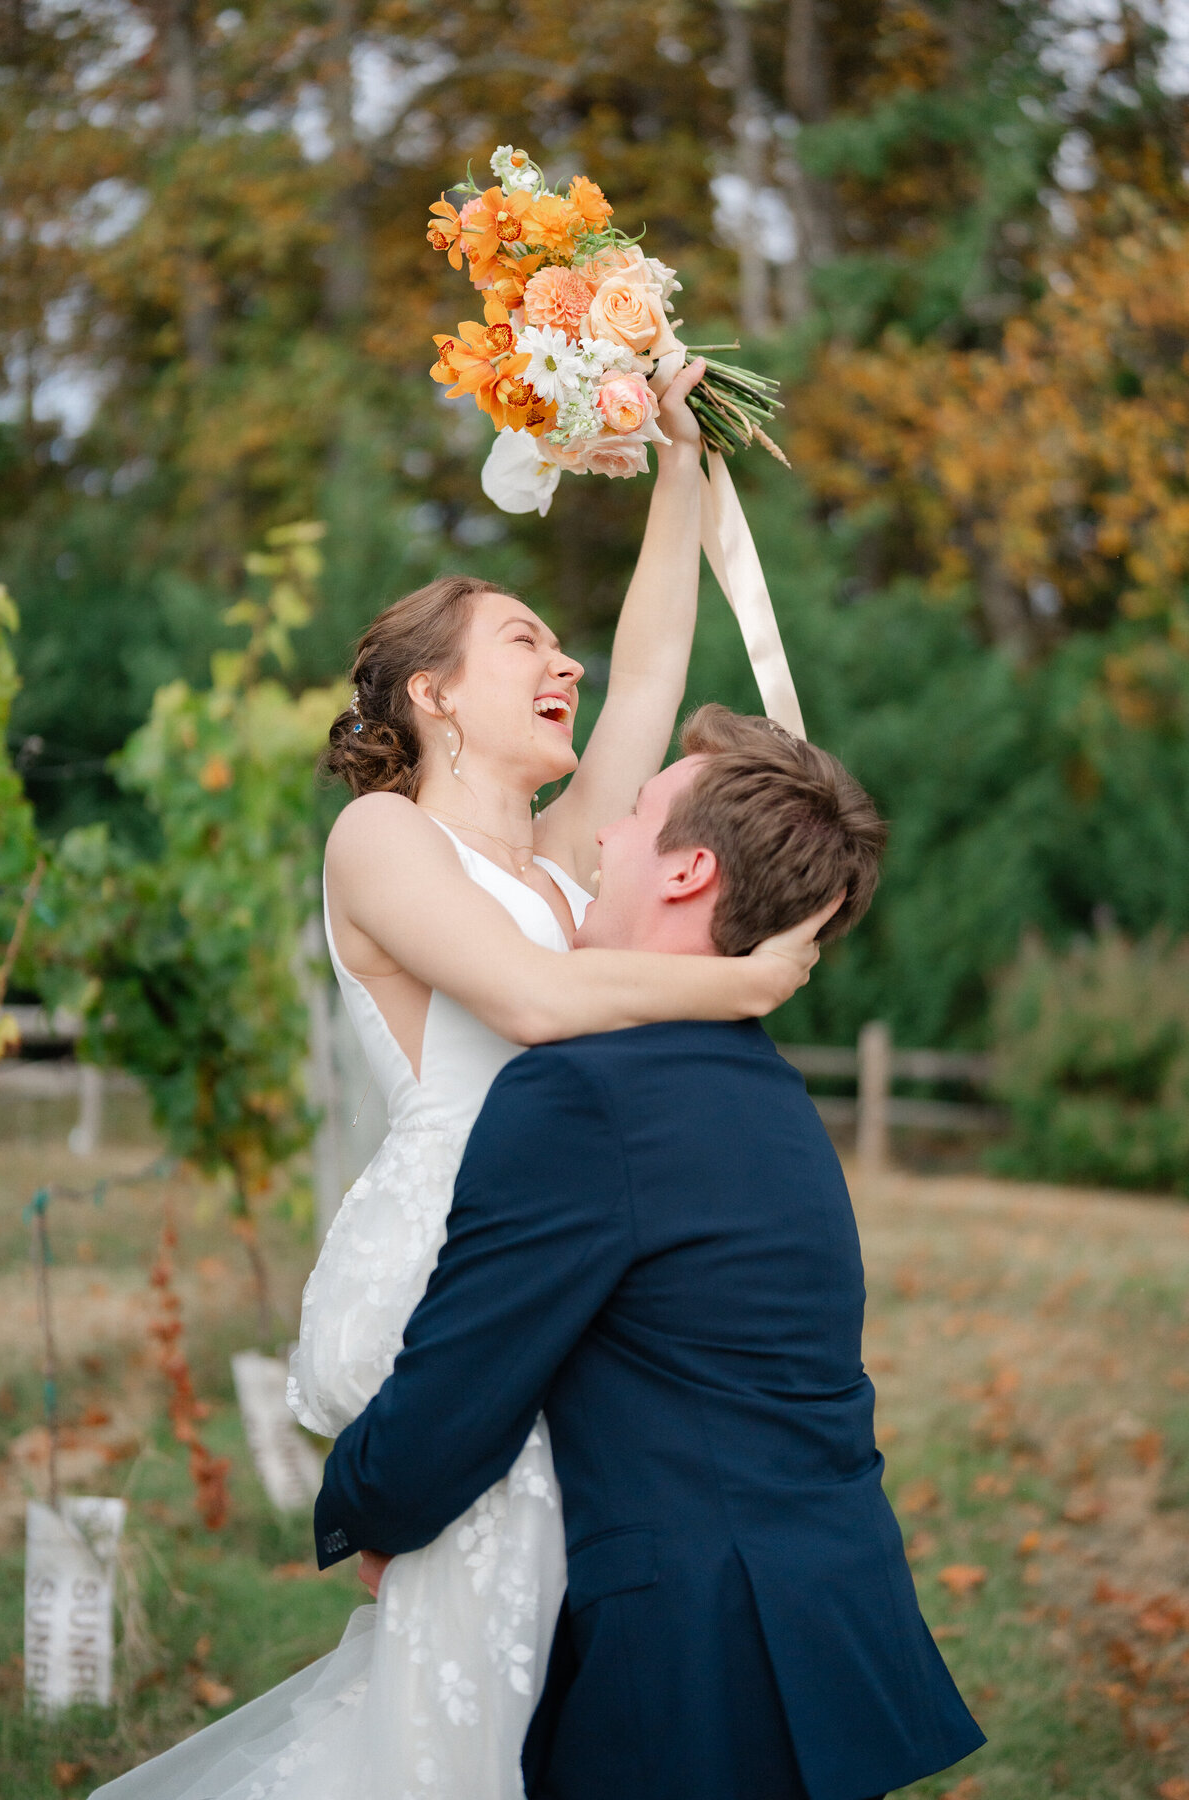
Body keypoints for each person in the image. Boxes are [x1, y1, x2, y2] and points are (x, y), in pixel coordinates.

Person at [90, 369, 829, 1800]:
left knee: (527, 1650)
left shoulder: (555, 861)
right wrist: (734, 987)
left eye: (561, 645)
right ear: (432, 692)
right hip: (455, 1272)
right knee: (472, 1673)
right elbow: (534, 1001)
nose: (565, 667)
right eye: (523, 643)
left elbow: (656, 663)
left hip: (555, 1265)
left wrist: (681, 466)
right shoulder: (381, 838)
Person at [316, 706, 987, 1800]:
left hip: (693, 1674)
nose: (600, 844)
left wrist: (362, 1503)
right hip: (824, 1633)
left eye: (632, 819)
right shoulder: (763, 1087)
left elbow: (458, 1390)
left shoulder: (585, 1096)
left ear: (687, 874)